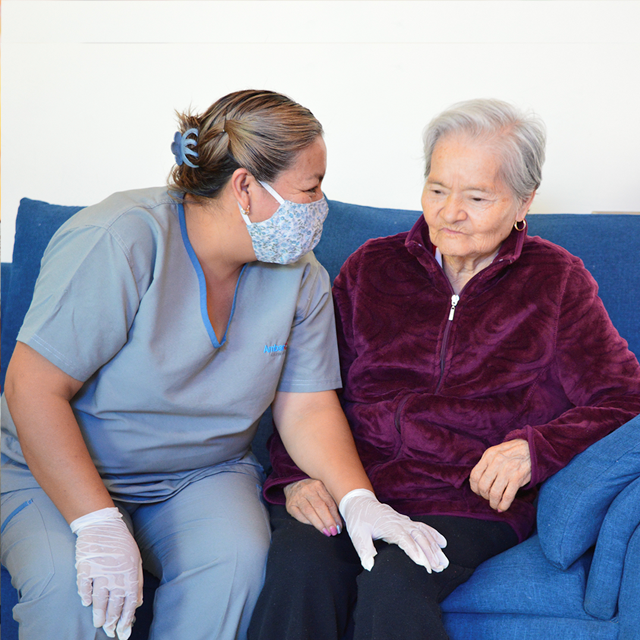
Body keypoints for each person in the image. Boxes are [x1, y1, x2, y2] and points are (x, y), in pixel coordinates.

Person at [0, 89, 448, 640]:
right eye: (310, 188)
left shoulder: (299, 274)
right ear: (244, 187)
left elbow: (306, 407)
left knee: (238, 569)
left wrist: (359, 501)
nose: (320, 205)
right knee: (71, 601)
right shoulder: (120, 239)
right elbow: (32, 387)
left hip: (200, 474)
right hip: (53, 474)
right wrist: (95, 523)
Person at [249, 98, 640, 640]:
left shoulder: (556, 281)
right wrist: (295, 477)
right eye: (437, 189)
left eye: (477, 197)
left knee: (397, 582)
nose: (449, 212)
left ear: (524, 201)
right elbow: (309, 390)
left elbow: (625, 399)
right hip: (357, 480)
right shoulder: (371, 267)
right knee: (300, 565)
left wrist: (537, 449)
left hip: (467, 500)